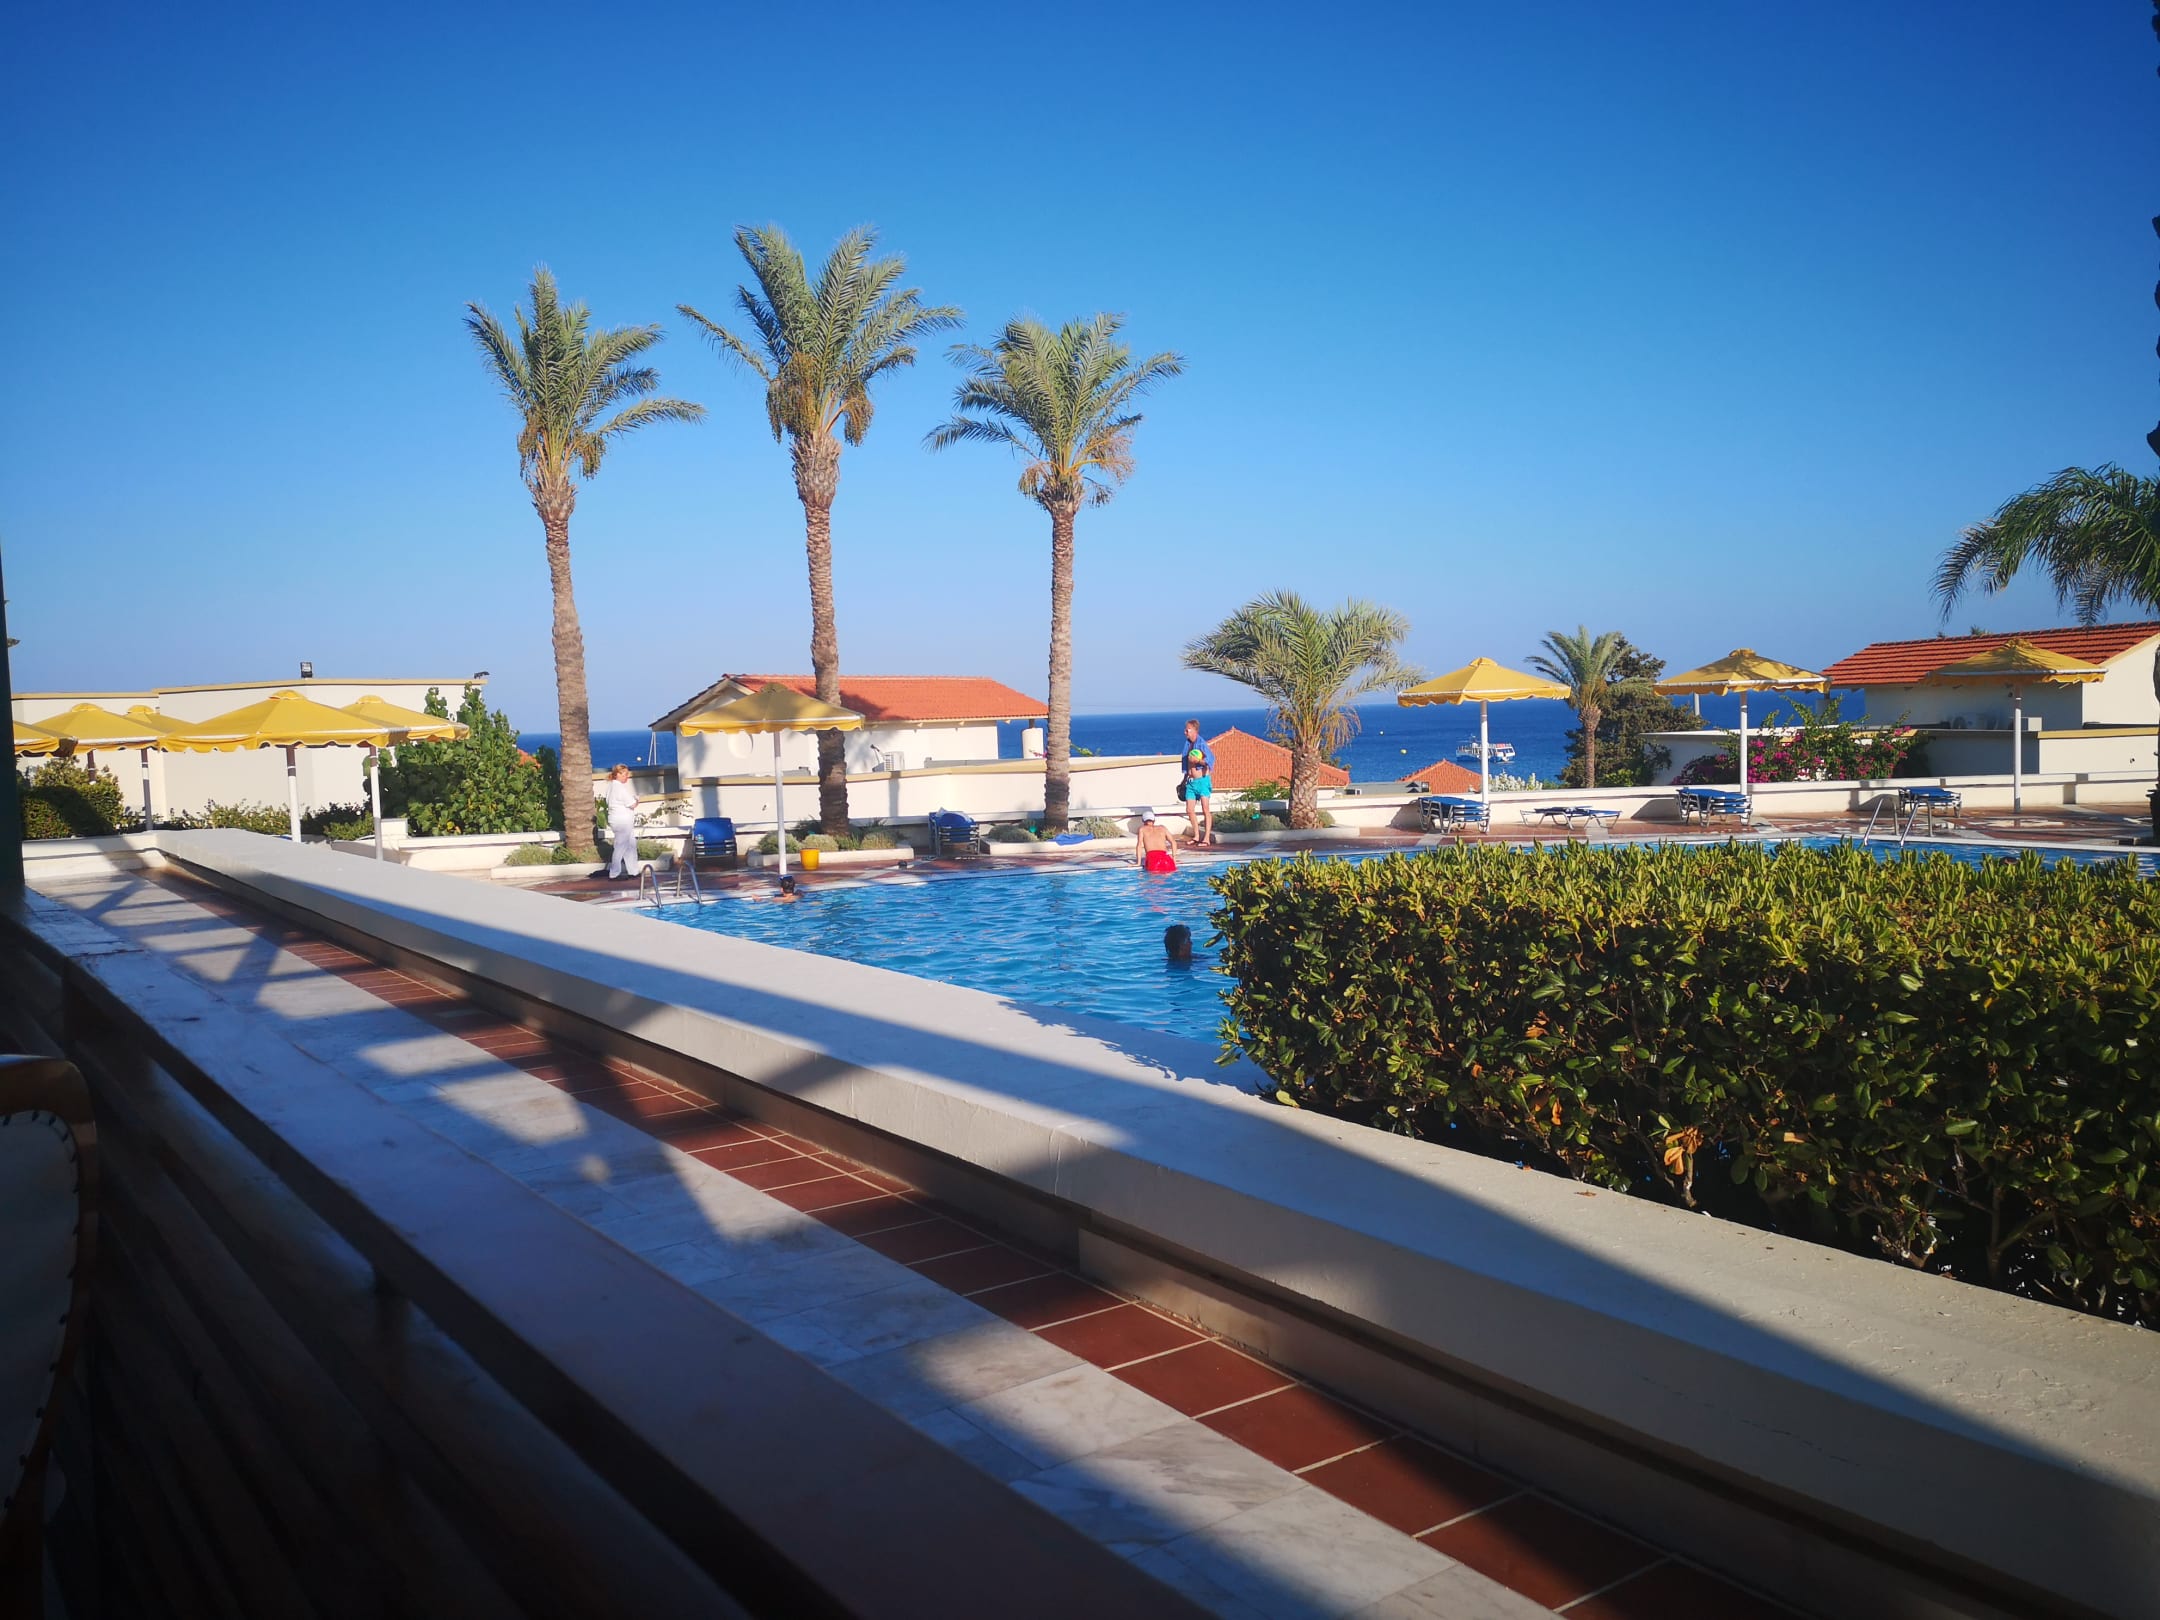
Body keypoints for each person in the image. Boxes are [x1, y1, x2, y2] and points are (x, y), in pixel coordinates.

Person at [1179, 720, 1216, 847]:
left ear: (1195, 730)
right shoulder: (1188, 744)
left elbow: (1209, 760)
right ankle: (1196, 836)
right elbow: (1187, 764)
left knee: (1205, 809)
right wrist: (1184, 780)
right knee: (1189, 810)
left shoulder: (1201, 744)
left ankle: (1206, 838)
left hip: (1202, 781)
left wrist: (1198, 761)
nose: (1185, 732)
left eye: (1188, 730)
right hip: (1191, 782)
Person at [602, 764, 641, 881]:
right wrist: (637, 800)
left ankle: (633, 871)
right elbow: (632, 804)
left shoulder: (611, 786)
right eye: (624, 774)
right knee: (621, 846)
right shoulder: (619, 788)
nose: (627, 777)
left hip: (616, 819)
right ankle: (614, 873)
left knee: (630, 845)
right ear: (618, 774)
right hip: (622, 821)